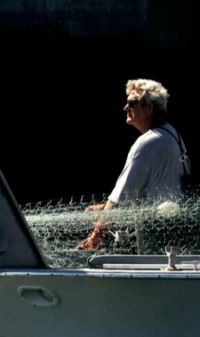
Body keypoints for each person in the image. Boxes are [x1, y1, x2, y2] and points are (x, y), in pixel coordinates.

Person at [77, 79, 190, 250]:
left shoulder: (147, 143)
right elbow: (161, 187)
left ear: (149, 108)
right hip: (177, 239)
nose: (125, 107)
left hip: (154, 242)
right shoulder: (172, 135)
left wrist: (95, 238)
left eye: (132, 103)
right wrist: (103, 207)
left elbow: (119, 201)